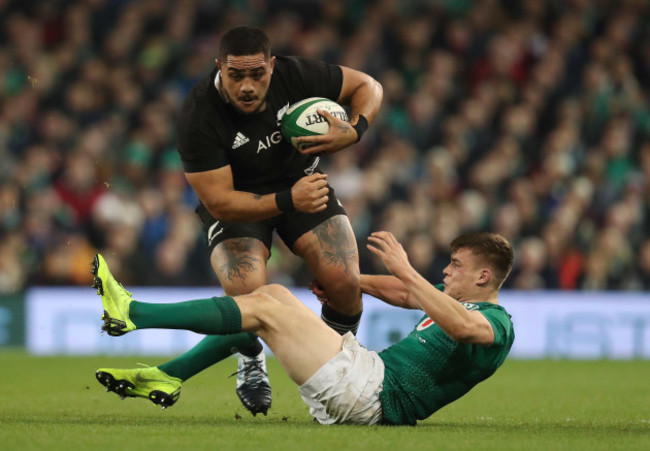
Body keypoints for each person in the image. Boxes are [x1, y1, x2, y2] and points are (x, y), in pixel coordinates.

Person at [92, 230, 515, 425]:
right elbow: (408, 295)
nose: (446, 271)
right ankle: (167, 377)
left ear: (483, 277)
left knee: (265, 309)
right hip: (366, 374)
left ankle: (134, 313)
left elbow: (461, 327)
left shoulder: (495, 323)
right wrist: (348, 282)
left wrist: (407, 269)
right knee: (272, 297)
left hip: (374, 397)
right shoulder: (453, 298)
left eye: (456, 266)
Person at [172, 25, 383, 415]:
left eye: (258, 74)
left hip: (298, 182)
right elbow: (220, 202)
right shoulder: (198, 114)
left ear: (272, 66)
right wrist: (289, 199)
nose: (248, 86)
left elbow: (369, 86)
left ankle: (335, 363)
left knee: (344, 280)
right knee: (249, 294)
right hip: (240, 199)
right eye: (236, 76)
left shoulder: (296, 74)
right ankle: (250, 356)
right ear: (220, 67)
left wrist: (354, 132)